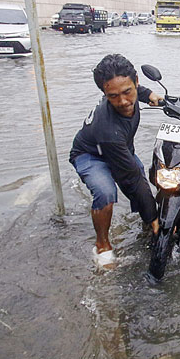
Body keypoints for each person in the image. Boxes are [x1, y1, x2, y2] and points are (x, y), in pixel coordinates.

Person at [69, 54, 163, 265]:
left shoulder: (132, 91)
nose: (123, 102)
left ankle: (147, 223)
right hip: (90, 154)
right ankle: (102, 245)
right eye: (113, 96)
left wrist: (150, 95)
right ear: (104, 93)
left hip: (120, 148)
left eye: (127, 92)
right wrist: (154, 216)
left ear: (136, 81)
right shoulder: (109, 129)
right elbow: (131, 178)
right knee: (107, 191)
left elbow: (137, 92)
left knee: (141, 179)